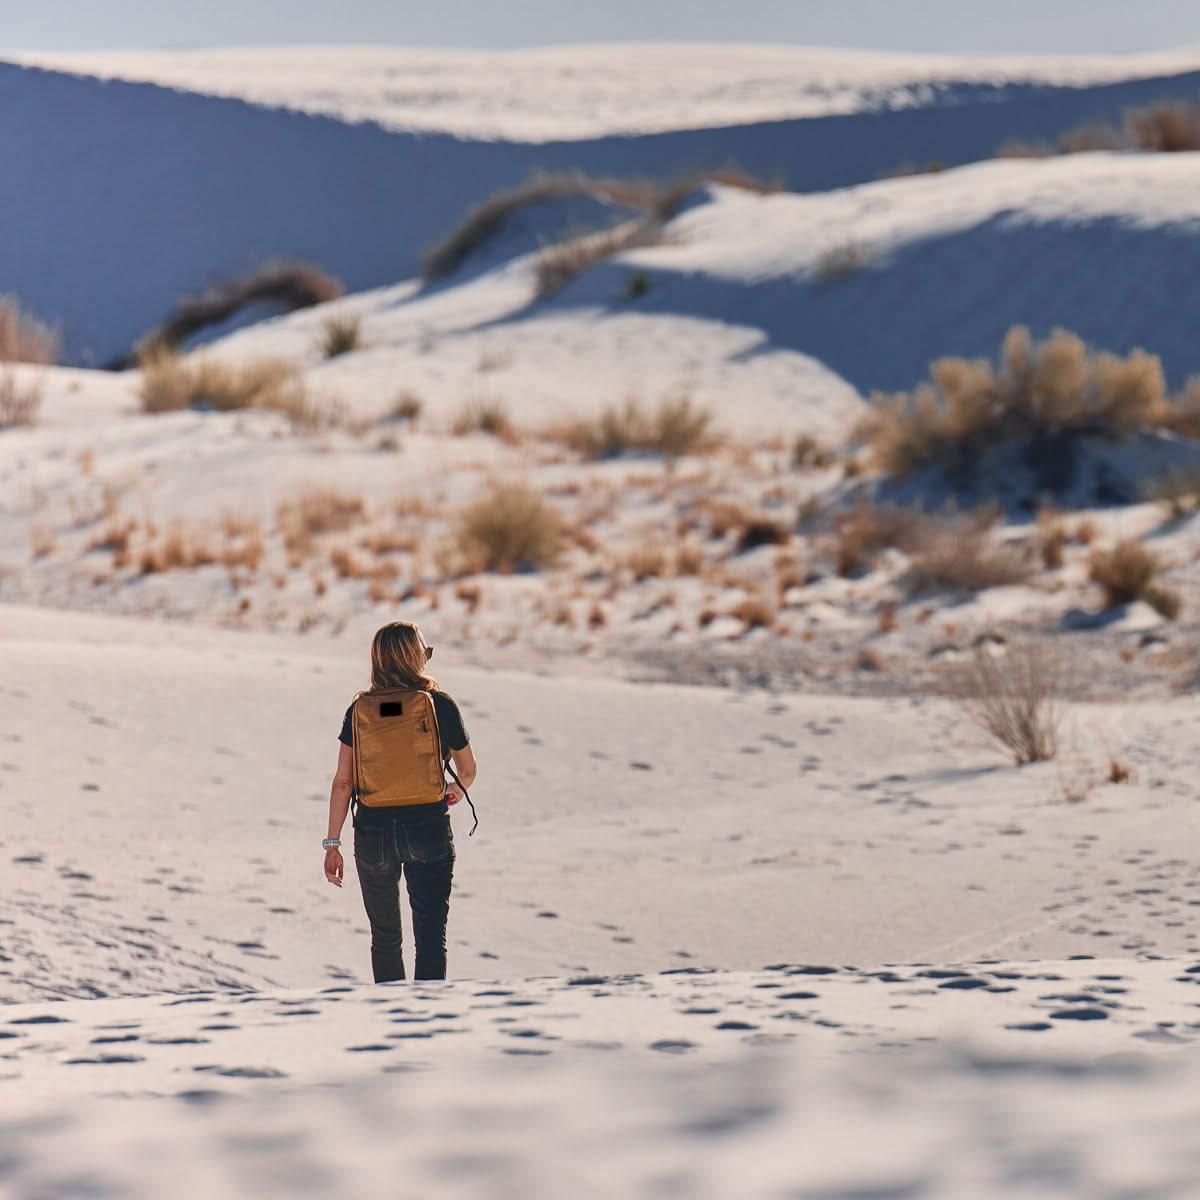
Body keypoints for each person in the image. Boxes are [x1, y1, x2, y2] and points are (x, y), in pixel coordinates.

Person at [322, 621, 477, 982]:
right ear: (415, 658)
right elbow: (467, 768)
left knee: (386, 938)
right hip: (428, 828)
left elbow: (343, 782)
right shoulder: (439, 705)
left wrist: (332, 843)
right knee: (429, 938)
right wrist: (453, 791)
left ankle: (393, 1020)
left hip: (374, 833)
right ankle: (429, 1021)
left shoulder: (359, 710)